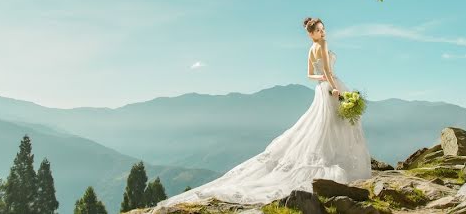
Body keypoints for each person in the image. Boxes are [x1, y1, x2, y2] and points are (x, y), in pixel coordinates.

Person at [151, 17, 372, 211]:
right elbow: (325, 71)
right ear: (311, 34)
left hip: (321, 90)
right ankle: (336, 163)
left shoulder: (310, 48)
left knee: (325, 127)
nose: (323, 33)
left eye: (324, 29)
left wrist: (323, 82)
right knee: (335, 126)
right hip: (331, 88)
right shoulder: (321, 44)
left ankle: (330, 159)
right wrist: (334, 88)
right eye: (319, 30)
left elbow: (309, 75)